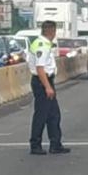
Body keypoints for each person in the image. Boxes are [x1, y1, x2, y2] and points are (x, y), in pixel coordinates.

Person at [28, 20, 69, 155]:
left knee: (53, 115)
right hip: (42, 82)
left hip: (45, 81)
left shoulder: (44, 44)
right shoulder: (42, 45)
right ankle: (35, 145)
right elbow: (40, 68)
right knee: (41, 114)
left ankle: (55, 144)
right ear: (52, 31)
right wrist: (47, 87)